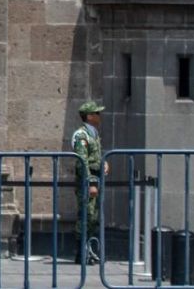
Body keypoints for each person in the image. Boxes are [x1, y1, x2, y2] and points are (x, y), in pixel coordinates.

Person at [71, 100, 108, 265]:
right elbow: (82, 161)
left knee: (93, 217)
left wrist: (104, 162)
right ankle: (81, 254)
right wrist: (90, 183)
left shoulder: (93, 133)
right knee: (86, 216)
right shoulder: (82, 135)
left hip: (96, 178)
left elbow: (95, 155)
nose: (99, 116)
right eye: (97, 113)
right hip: (87, 180)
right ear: (89, 116)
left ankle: (89, 250)